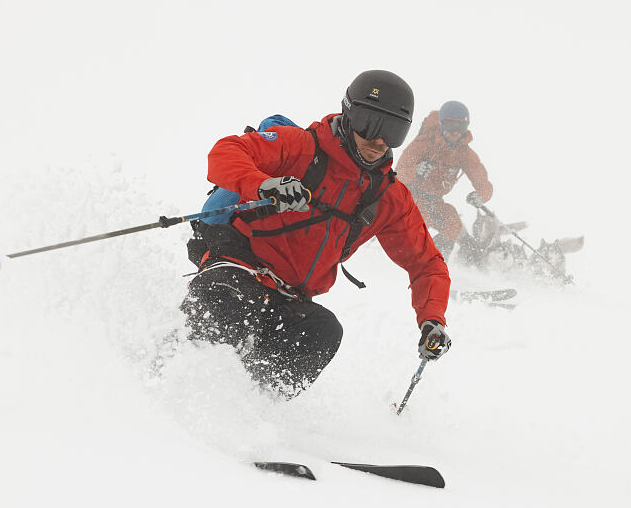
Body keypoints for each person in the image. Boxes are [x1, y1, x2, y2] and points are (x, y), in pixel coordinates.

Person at [181, 70, 452, 398]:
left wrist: (432, 319)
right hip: (239, 264)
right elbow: (227, 153)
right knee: (231, 304)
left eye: (393, 132)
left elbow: (426, 264)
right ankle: (170, 377)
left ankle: (253, 411)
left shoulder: (388, 198)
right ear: (351, 114)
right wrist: (265, 184)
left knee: (323, 331)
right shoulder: (302, 148)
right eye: (370, 124)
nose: (379, 141)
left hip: (291, 296)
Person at [395, 100, 494, 261]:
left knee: (453, 222)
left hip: (435, 201)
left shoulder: (464, 153)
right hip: (411, 196)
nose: (455, 134)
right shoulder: (424, 143)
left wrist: (481, 196)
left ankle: (439, 264)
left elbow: (483, 183)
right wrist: (416, 172)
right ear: (441, 124)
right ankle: (417, 261)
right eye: (450, 127)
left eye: (460, 128)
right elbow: (397, 174)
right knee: (421, 219)